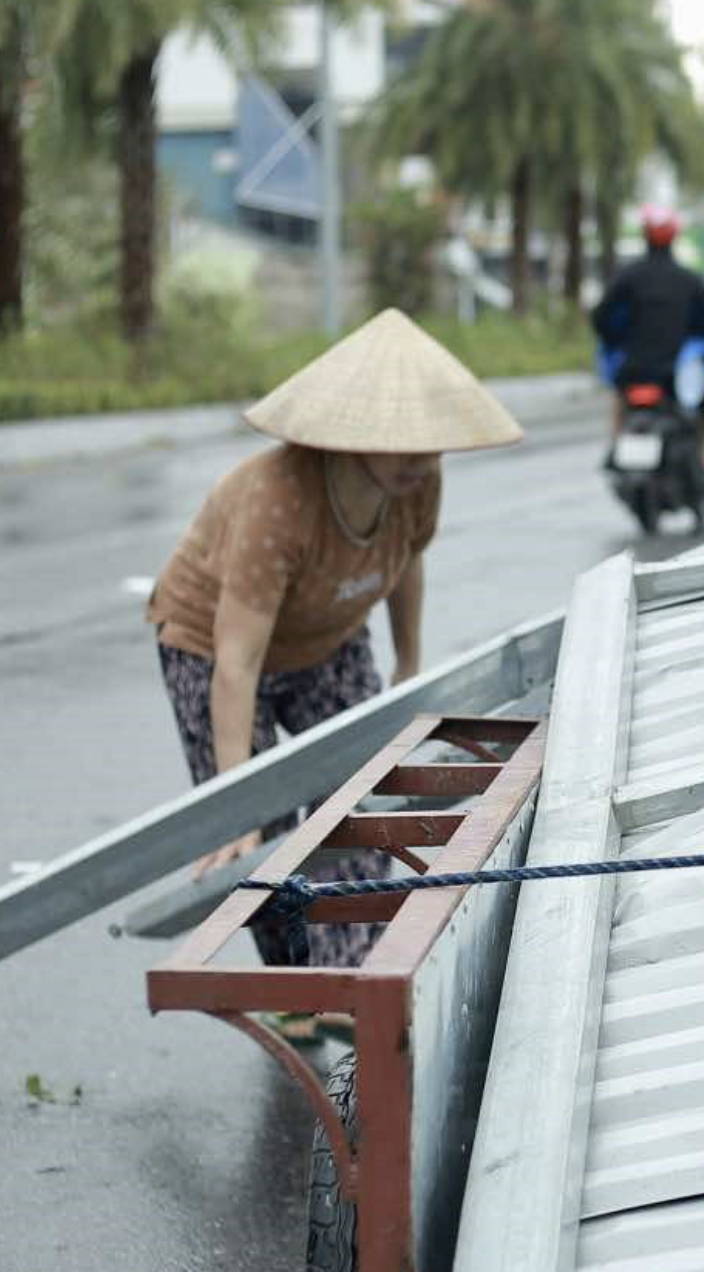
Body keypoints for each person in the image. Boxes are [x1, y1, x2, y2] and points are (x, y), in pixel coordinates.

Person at [146, 308, 523, 975]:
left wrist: (409, 663)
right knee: (259, 828)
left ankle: (349, 975)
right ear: (354, 438)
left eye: (431, 444)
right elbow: (235, 665)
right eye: (404, 445)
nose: (422, 461)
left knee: (359, 794)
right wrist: (238, 808)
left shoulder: (415, 487)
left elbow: (406, 558)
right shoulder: (277, 503)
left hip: (330, 636)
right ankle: (295, 979)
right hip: (212, 646)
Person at [593, 205, 704, 479]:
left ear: (645, 235)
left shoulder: (627, 276)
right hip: (676, 377)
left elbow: (600, 318)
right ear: (674, 236)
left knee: (618, 393)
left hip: (632, 371)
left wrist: (618, 339)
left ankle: (615, 446)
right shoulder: (689, 279)